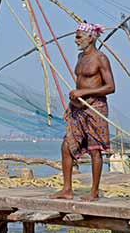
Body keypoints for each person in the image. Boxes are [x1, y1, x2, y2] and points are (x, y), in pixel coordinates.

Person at [49, 22, 115, 201]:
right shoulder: (80, 57)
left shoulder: (101, 58)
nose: (75, 40)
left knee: (95, 150)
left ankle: (94, 192)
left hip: (95, 108)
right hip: (78, 108)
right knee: (66, 146)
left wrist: (84, 92)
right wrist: (77, 96)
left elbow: (110, 87)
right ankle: (67, 189)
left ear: (91, 37)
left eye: (78, 37)